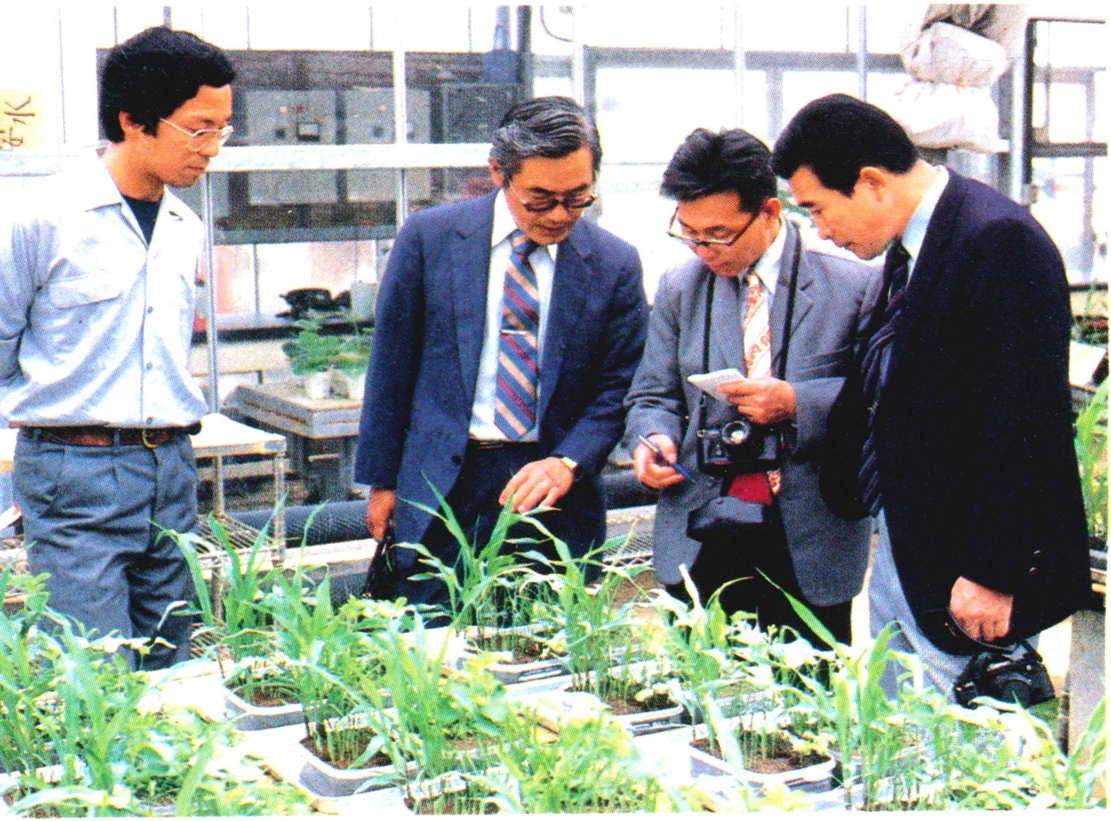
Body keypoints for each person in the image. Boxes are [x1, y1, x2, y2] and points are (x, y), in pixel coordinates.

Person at [772, 93, 1089, 694]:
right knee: (903, 725)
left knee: (966, 735)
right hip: (909, 543)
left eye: (818, 209)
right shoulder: (917, 246)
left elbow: (1025, 423)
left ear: (871, 182)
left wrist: (992, 574)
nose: (822, 232)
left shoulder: (997, 241)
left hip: (968, 569)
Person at [355, 96, 648, 610]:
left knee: (549, 640)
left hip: (555, 491)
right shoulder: (430, 239)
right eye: (540, 198)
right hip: (444, 482)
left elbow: (619, 386)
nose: (560, 214)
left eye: (577, 198)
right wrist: (382, 482)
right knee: (433, 637)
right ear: (498, 172)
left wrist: (568, 462)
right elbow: (391, 367)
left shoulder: (614, 262)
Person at [0, 26, 235, 669]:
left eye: (223, 130)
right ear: (133, 120)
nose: (212, 149)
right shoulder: (42, 217)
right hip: (75, 469)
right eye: (199, 129)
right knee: (96, 669)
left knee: (174, 664)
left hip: (171, 465)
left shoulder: (184, 226)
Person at [624, 128, 881, 646]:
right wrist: (652, 439)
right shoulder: (681, 284)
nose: (704, 249)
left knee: (809, 686)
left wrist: (798, 404)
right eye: (689, 233)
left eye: (719, 234)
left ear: (769, 212)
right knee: (699, 683)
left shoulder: (855, 283)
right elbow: (653, 395)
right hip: (702, 524)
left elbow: (882, 402)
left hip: (809, 533)